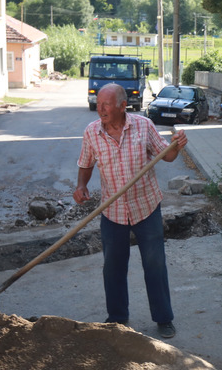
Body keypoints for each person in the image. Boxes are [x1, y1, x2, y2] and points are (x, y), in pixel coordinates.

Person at [73, 83, 187, 339]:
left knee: (155, 264)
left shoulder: (143, 126)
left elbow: (165, 156)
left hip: (145, 206)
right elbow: (85, 163)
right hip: (112, 210)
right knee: (112, 266)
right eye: (98, 103)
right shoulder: (92, 132)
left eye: (106, 105)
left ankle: (163, 318)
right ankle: (117, 317)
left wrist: (176, 146)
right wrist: (81, 186)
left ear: (123, 106)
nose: (100, 109)